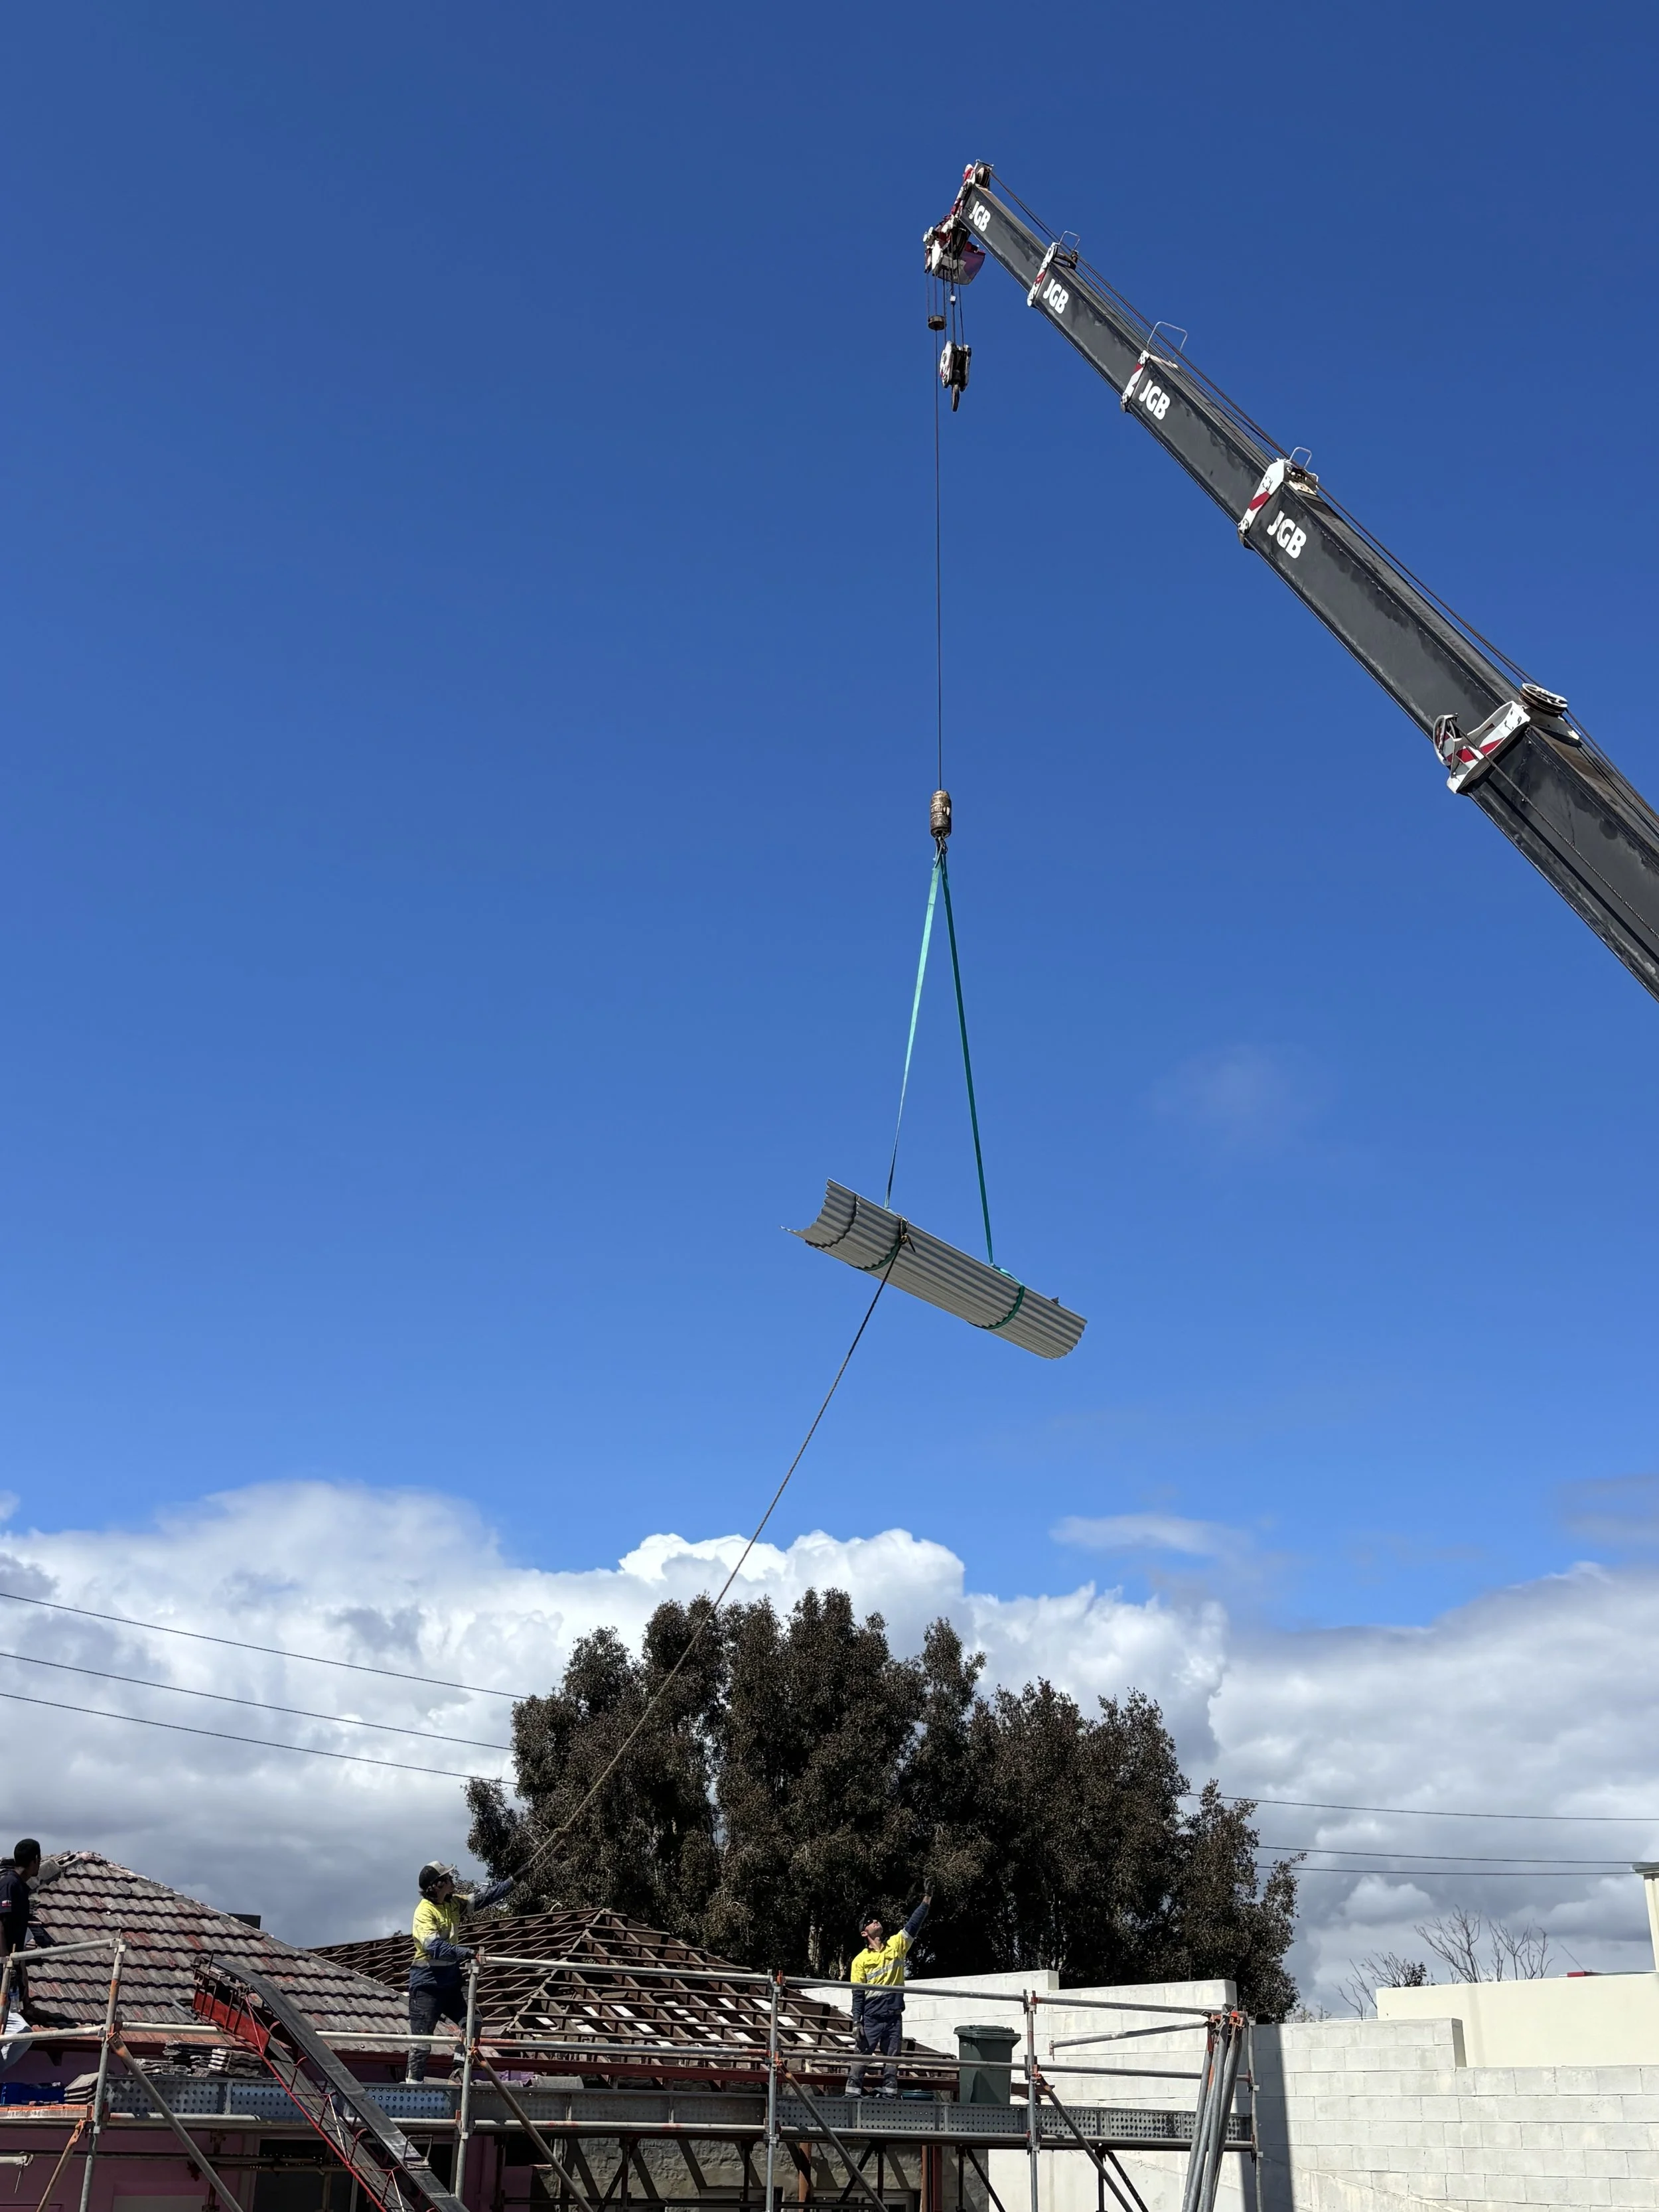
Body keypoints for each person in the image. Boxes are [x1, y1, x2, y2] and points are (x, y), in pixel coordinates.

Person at [406, 1861, 514, 2082]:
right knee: (422, 2040)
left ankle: (458, 2071)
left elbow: (485, 1898)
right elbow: (434, 1947)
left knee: (473, 2021)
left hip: (451, 1982)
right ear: (437, 1885)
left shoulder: (452, 1903)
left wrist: (514, 1882)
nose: (453, 1881)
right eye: (448, 1878)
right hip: (427, 1984)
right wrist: (468, 1953)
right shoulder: (424, 1912)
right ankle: (413, 2085)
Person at [846, 1890, 930, 2097]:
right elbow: (858, 1994)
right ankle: (851, 2094)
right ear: (864, 1934)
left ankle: (889, 2095)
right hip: (872, 2017)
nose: (876, 1921)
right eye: (870, 1921)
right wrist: (857, 2021)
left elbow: (913, 1924)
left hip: (893, 2016)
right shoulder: (860, 1960)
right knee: (862, 2055)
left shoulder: (896, 1946)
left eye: (876, 1919)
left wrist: (926, 1899)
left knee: (892, 2057)